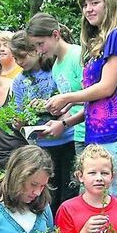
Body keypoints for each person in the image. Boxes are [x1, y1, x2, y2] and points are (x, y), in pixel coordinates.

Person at [46, 0, 117, 216]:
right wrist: (65, 122)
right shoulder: (95, 46)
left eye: (95, 2)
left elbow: (107, 88)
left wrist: (67, 97)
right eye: (85, 5)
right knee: (98, 205)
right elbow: (93, 105)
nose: (88, 9)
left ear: (109, 4)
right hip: (95, 135)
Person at [9, 30, 77, 214]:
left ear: (34, 50)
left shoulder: (55, 70)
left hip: (67, 138)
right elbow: (18, 114)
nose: (19, 62)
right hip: (42, 145)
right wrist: (20, 121)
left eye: (21, 56)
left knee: (70, 189)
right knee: (48, 193)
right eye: (15, 58)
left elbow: (70, 101)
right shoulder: (19, 81)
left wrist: (48, 106)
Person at [26, 12, 86, 156]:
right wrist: (55, 111)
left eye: (41, 44)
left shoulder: (77, 56)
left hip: (93, 132)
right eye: (35, 46)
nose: (39, 51)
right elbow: (72, 106)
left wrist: (65, 122)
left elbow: (94, 96)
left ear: (55, 35)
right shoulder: (56, 67)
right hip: (78, 134)